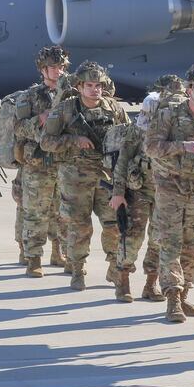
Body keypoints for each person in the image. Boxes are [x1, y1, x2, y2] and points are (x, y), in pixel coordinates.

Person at [145, 63, 194, 322]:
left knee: (193, 243)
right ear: (190, 89)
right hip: (169, 187)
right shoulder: (169, 113)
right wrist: (183, 146)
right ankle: (172, 297)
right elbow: (151, 147)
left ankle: (184, 293)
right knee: (170, 242)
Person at [40, 61, 129, 291]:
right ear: (79, 87)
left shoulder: (113, 108)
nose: (95, 90)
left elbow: (128, 138)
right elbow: (46, 142)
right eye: (89, 85)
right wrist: (74, 141)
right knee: (79, 226)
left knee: (113, 224)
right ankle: (77, 269)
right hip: (75, 177)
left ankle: (114, 268)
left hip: (106, 176)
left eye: (98, 85)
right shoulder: (66, 109)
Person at [14, 46, 69, 277]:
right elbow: (18, 127)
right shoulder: (30, 96)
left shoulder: (70, 95)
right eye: (53, 68)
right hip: (37, 164)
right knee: (35, 213)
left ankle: (60, 252)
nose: (57, 72)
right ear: (43, 70)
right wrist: (40, 119)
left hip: (64, 162)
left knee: (63, 212)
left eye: (61, 67)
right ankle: (33, 257)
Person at [109, 91, 163, 303]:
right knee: (132, 236)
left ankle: (151, 283)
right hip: (139, 189)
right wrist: (118, 193)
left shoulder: (173, 128)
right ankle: (123, 280)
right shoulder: (137, 129)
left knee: (159, 239)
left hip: (165, 191)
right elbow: (122, 161)